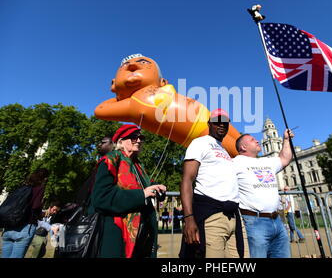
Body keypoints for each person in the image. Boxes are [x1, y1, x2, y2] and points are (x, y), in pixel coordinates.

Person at [94, 54, 241, 156]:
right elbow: (100, 110)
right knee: (240, 153)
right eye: (126, 66)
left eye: (143, 63)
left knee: (242, 140)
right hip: (200, 131)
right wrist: (119, 93)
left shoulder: (157, 93)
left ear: (163, 81)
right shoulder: (132, 105)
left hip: (208, 115)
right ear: (114, 83)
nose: (132, 65)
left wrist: (119, 91)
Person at [90, 124, 167, 258]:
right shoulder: (110, 160)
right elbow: (101, 197)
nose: (138, 140)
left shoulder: (138, 164)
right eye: (133, 137)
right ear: (121, 141)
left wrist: (155, 188)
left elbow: (141, 188)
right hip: (116, 233)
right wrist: (142, 194)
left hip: (142, 234)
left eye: (140, 138)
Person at [179, 109, 248, 258]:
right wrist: (189, 218)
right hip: (212, 215)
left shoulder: (225, 150)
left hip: (234, 216)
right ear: (210, 123)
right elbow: (187, 180)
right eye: (217, 122)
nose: (221, 125)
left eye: (225, 122)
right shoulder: (200, 142)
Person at [233, 130, 293, 258]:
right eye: (252, 139)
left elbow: (285, 158)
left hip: (277, 221)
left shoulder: (267, 161)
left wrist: (286, 139)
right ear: (243, 147)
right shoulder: (234, 163)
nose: (257, 140)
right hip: (255, 222)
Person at [0, 168, 49, 258]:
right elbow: (35, 206)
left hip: (9, 226)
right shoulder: (40, 188)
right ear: (45, 178)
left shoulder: (22, 187)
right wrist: (41, 214)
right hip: (25, 227)